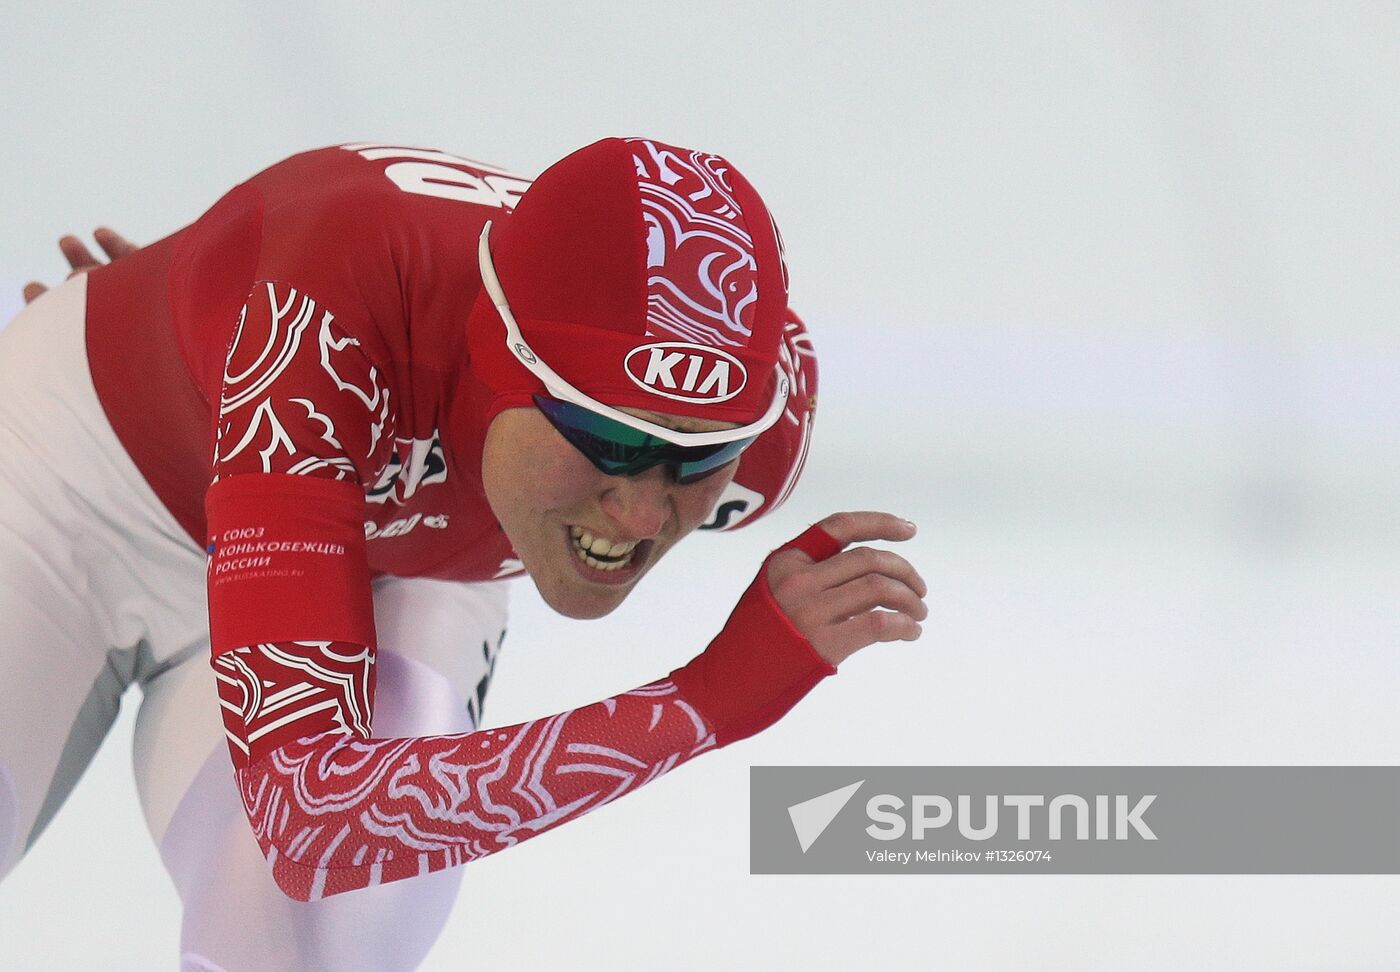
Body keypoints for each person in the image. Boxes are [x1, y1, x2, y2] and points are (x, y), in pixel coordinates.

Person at [1, 138, 926, 971]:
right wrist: (709, 697)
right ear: (498, 359)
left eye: (696, 454)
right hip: (76, 486)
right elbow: (311, 819)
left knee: (328, 938)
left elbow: (324, 855)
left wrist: (205, 320)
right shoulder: (310, 333)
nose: (644, 513)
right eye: (603, 436)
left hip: (389, 561)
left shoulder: (763, 438)